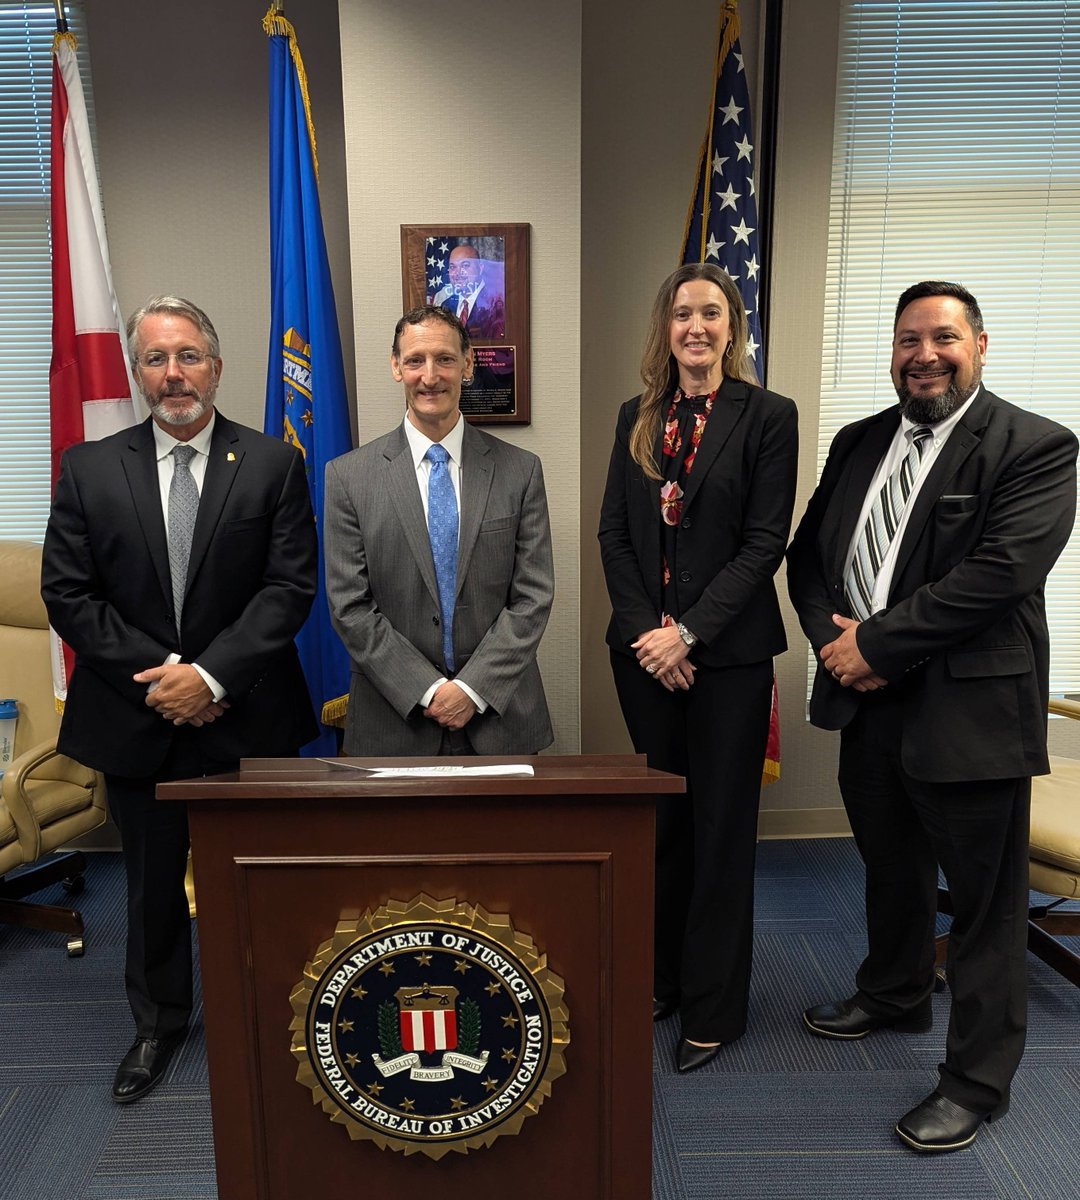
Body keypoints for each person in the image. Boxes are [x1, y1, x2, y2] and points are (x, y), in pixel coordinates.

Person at [786, 281, 1077, 1152]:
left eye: (943, 338)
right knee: (891, 866)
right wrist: (834, 642)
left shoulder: (1035, 446)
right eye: (908, 339)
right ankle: (895, 992)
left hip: (970, 711)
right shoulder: (859, 439)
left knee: (986, 910)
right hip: (867, 703)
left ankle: (976, 1083)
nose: (924, 356)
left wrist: (876, 645)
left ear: (979, 345)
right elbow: (809, 557)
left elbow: (999, 575)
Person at [41, 296, 318, 1104]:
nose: (173, 374)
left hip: (247, 715)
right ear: (137, 372)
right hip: (137, 717)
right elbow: (69, 594)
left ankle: (268, 1014)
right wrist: (169, 675)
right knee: (151, 886)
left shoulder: (272, 464)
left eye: (188, 355)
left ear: (217, 367)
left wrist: (212, 676)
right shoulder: (89, 467)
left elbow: (288, 588)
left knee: (257, 881)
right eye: (156, 359)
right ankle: (158, 1024)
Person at [598, 262, 798, 1073]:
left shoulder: (767, 415)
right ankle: (665, 978)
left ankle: (715, 1009)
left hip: (729, 662)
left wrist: (689, 636)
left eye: (711, 313)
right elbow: (615, 534)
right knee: (664, 826)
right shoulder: (637, 415)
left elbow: (764, 542)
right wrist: (650, 635)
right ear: (666, 326)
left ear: (732, 326)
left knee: (721, 832)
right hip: (643, 659)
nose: (696, 327)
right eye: (682, 314)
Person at [324, 305, 552, 755]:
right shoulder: (348, 477)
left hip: (500, 719)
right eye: (415, 360)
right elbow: (350, 606)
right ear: (396, 367)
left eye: (445, 359)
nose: (430, 376)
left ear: (468, 364)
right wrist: (426, 690)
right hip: (395, 723)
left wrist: (472, 689)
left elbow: (533, 595)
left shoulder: (520, 471)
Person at [438, 243, 505, 340]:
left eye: (465, 265)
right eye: (453, 267)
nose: (458, 273)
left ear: (480, 268)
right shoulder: (446, 306)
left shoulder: (496, 303)